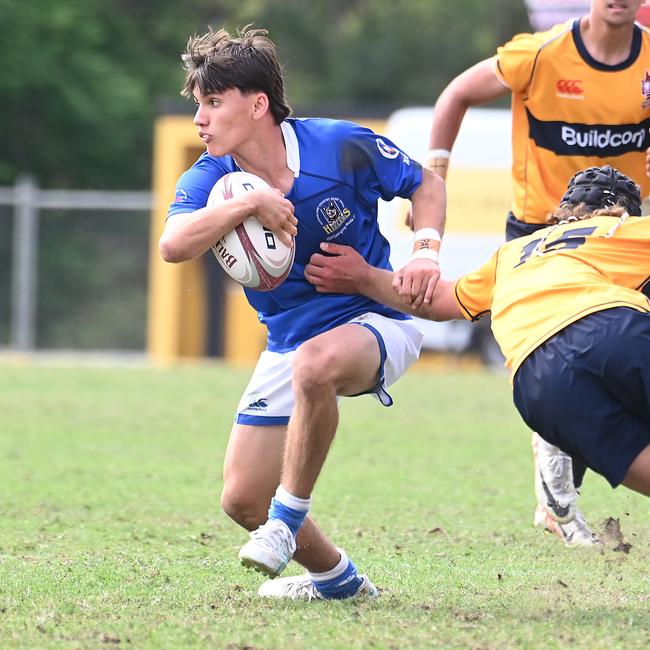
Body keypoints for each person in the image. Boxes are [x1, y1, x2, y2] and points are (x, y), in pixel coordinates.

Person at [159, 26, 446, 601]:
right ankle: (338, 581)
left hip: (376, 321)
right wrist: (251, 201)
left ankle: (285, 523)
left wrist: (426, 249)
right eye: (198, 105)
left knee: (317, 366)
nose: (200, 119)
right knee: (241, 499)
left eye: (214, 102)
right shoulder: (213, 178)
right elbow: (173, 244)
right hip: (289, 343)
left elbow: (426, 184)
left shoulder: (338, 145)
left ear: (257, 103)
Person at [421, 0, 650, 545]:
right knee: (570, 348)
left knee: (615, 350)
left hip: (620, 232)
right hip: (540, 231)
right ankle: (555, 460)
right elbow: (456, 93)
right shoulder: (539, 53)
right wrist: (435, 175)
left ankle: (559, 461)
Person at [306, 165, 650, 511]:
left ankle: (557, 449)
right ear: (622, 210)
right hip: (611, 327)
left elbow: (438, 300)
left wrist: (362, 277)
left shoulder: (514, 252)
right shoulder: (621, 228)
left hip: (538, 380)